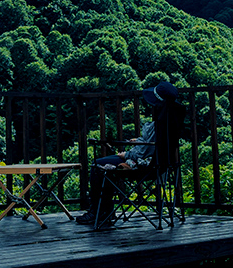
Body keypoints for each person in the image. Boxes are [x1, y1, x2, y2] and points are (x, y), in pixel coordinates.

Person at [76, 82, 180, 228]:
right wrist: (139, 141)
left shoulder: (158, 125)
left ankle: (98, 212)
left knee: (97, 165)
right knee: (105, 165)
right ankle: (106, 211)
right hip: (161, 165)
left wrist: (126, 154)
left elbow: (143, 152)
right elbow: (154, 145)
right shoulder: (170, 122)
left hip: (143, 166)